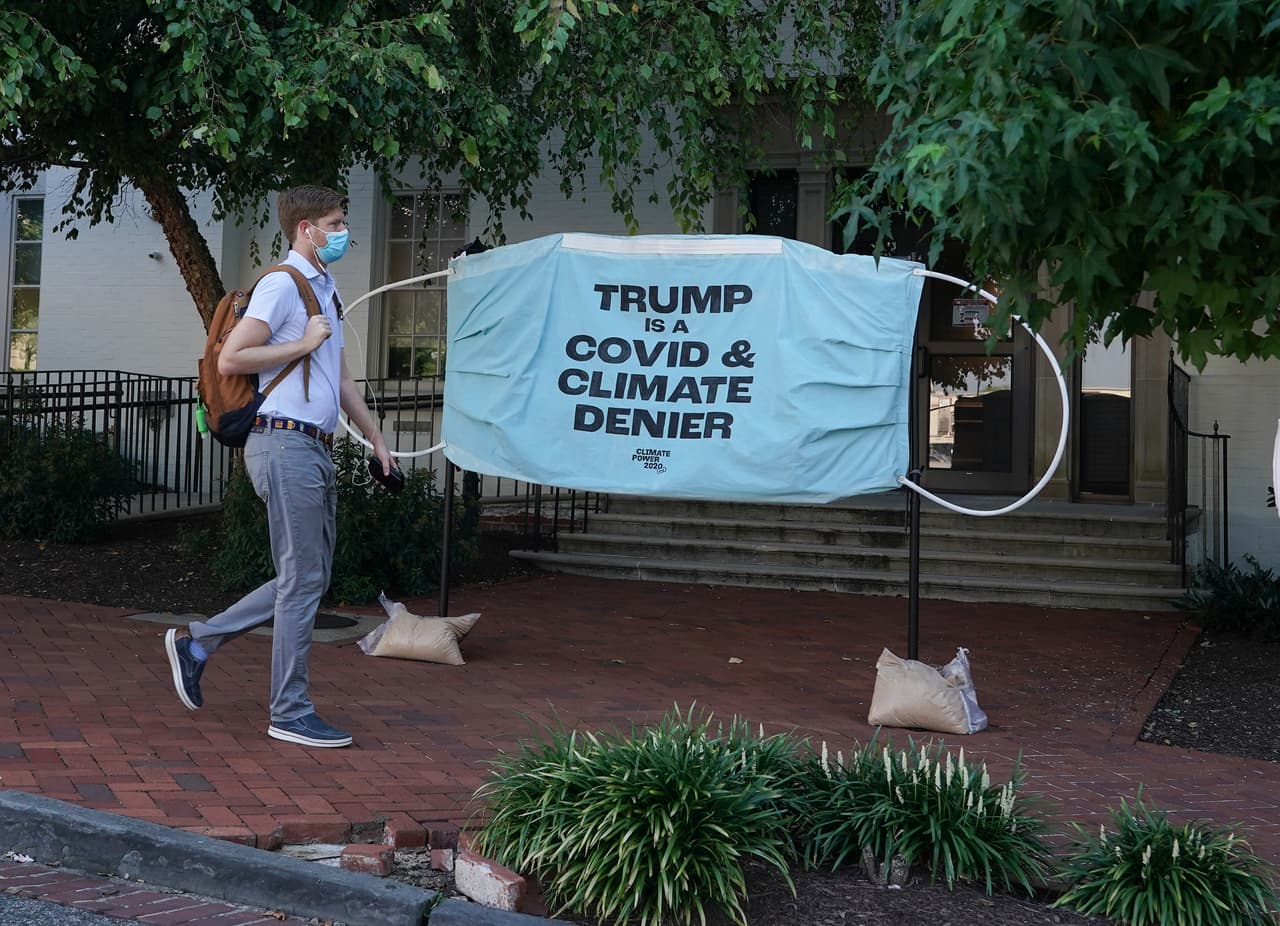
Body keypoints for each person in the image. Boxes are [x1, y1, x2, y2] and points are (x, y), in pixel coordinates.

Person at [164, 185, 394, 748]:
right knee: (303, 580)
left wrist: (375, 438)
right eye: (334, 224)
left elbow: (340, 378)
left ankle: (198, 643)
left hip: (311, 445)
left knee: (307, 578)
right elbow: (232, 357)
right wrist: (301, 344)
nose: (342, 233)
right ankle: (289, 711)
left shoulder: (325, 289)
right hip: (282, 442)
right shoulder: (282, 285)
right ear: (305, 230)